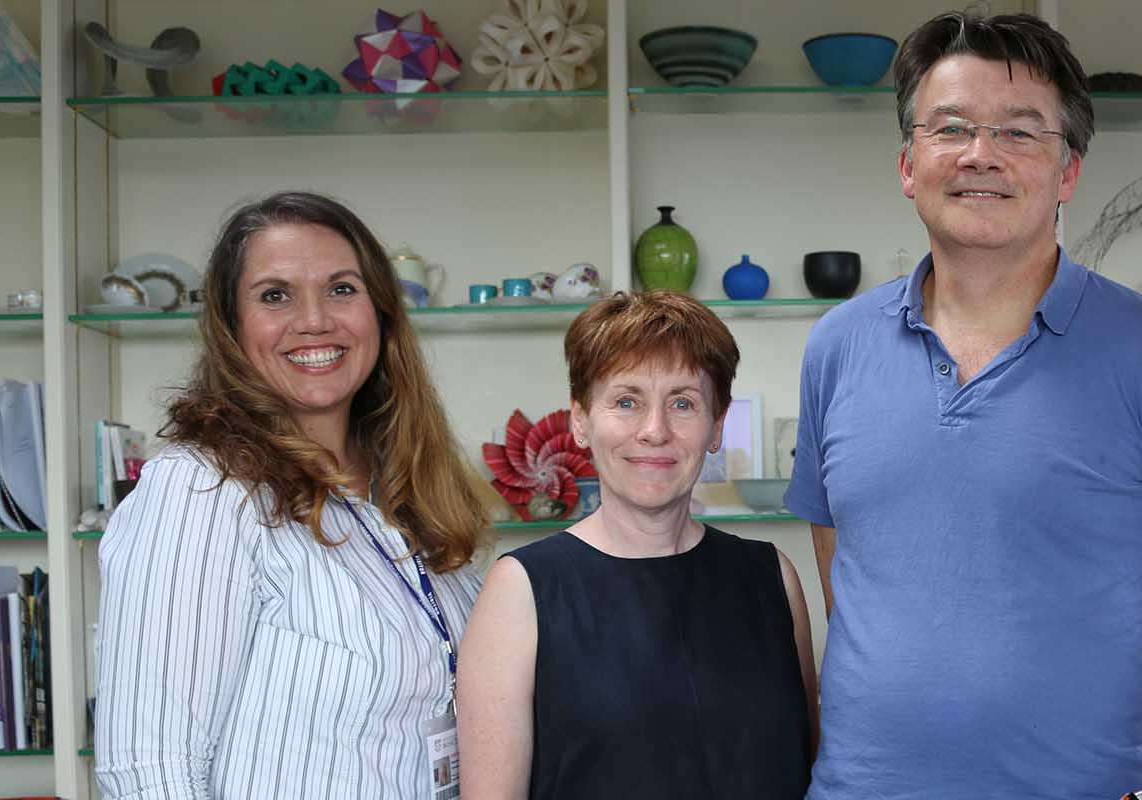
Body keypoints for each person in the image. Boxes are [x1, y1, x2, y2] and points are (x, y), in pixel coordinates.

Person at [785, 11, 1142, 798]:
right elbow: (846, 588)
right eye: (950, 128)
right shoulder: (837, 348)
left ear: (1068, 172)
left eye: (1020, 133)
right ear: (906, 162)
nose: (980, 155)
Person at [94, 191, 491, 798]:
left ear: (382, 312)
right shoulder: (202, 488)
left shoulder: (408, 491)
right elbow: (150, 766)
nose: (314, 320)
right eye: (275, 295)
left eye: (341, 289)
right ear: (231, 326)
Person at [457, 291, 817, 799]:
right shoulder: (521, 590)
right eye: (626, 402)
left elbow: (808, 768)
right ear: (580, 420)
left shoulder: (770, 576)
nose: (655, 431)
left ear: (717, 425)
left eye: (683, 403)